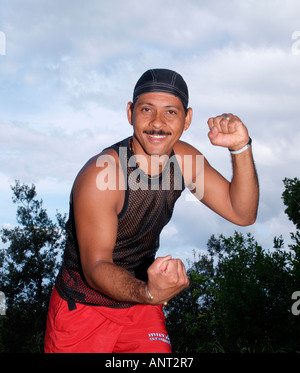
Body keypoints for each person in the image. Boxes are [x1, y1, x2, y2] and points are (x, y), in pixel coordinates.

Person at [44, 68, 259, 353]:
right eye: (147, 109)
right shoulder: (103, 175)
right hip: (83, 308)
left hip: (140, 305)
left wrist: (240, 148)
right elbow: (96, 266)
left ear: (187, 119)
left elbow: (241, 213)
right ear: (131, 112)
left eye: (170, 112)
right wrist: (147, 292)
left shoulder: (184, 160)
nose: (157, 123)